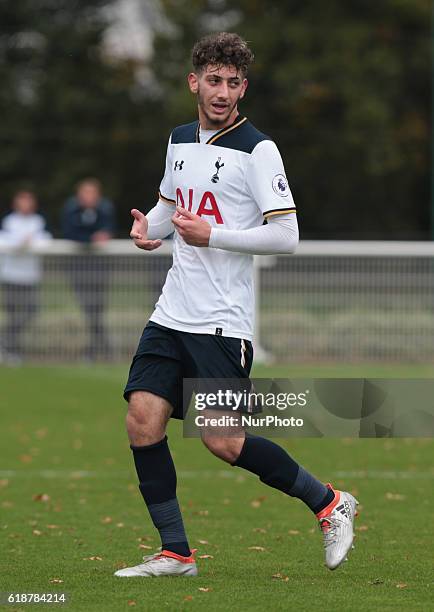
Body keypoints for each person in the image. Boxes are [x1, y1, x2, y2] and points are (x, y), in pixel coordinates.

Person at [115, 32, 358, 579]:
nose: (222, 91)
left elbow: (287, 235)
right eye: (213, 80)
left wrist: (213, 235)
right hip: (171, 312)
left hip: (222, 323)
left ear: (243, 87)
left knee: (223, 441)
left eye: (232, 83)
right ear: (193, 81)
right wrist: (147, 229)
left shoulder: (259, 149)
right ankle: (176, 553)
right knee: (142, 421)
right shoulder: (178, 139)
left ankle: (329, 503)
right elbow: (169, 205)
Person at [62, 178, 115, 360]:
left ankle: (96, 347)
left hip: (100, 269)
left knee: (96, 307)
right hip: (78, 268)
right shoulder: (71, 209)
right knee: (88, 308)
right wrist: (92, 238)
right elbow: (70, 233)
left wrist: (103, 235)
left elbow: (109, 229)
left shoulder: (105, 209)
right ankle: (102, 346)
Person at [0, 190, 52, 363]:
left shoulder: (38, 221)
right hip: (11, 275)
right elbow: (4, 240)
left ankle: (7, 341)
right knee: (13, 312)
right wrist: (20, 243)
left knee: (31, 310)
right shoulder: (9, 221)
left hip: (30, 275)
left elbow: (45, 240)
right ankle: (11, 349)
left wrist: (31, 242)